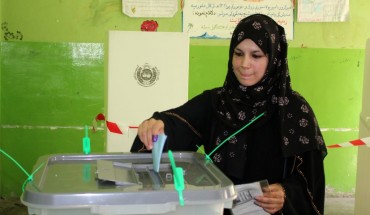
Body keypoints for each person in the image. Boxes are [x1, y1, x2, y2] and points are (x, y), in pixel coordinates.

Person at [131, 14, 327, 215]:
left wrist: (286, 193)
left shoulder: (294, 111)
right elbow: (177, 124)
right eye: (238, 53)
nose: (244, 64)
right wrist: (157, 124)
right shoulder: (217, 102)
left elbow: (310, 179)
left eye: (256, 55)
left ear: (274, 59)